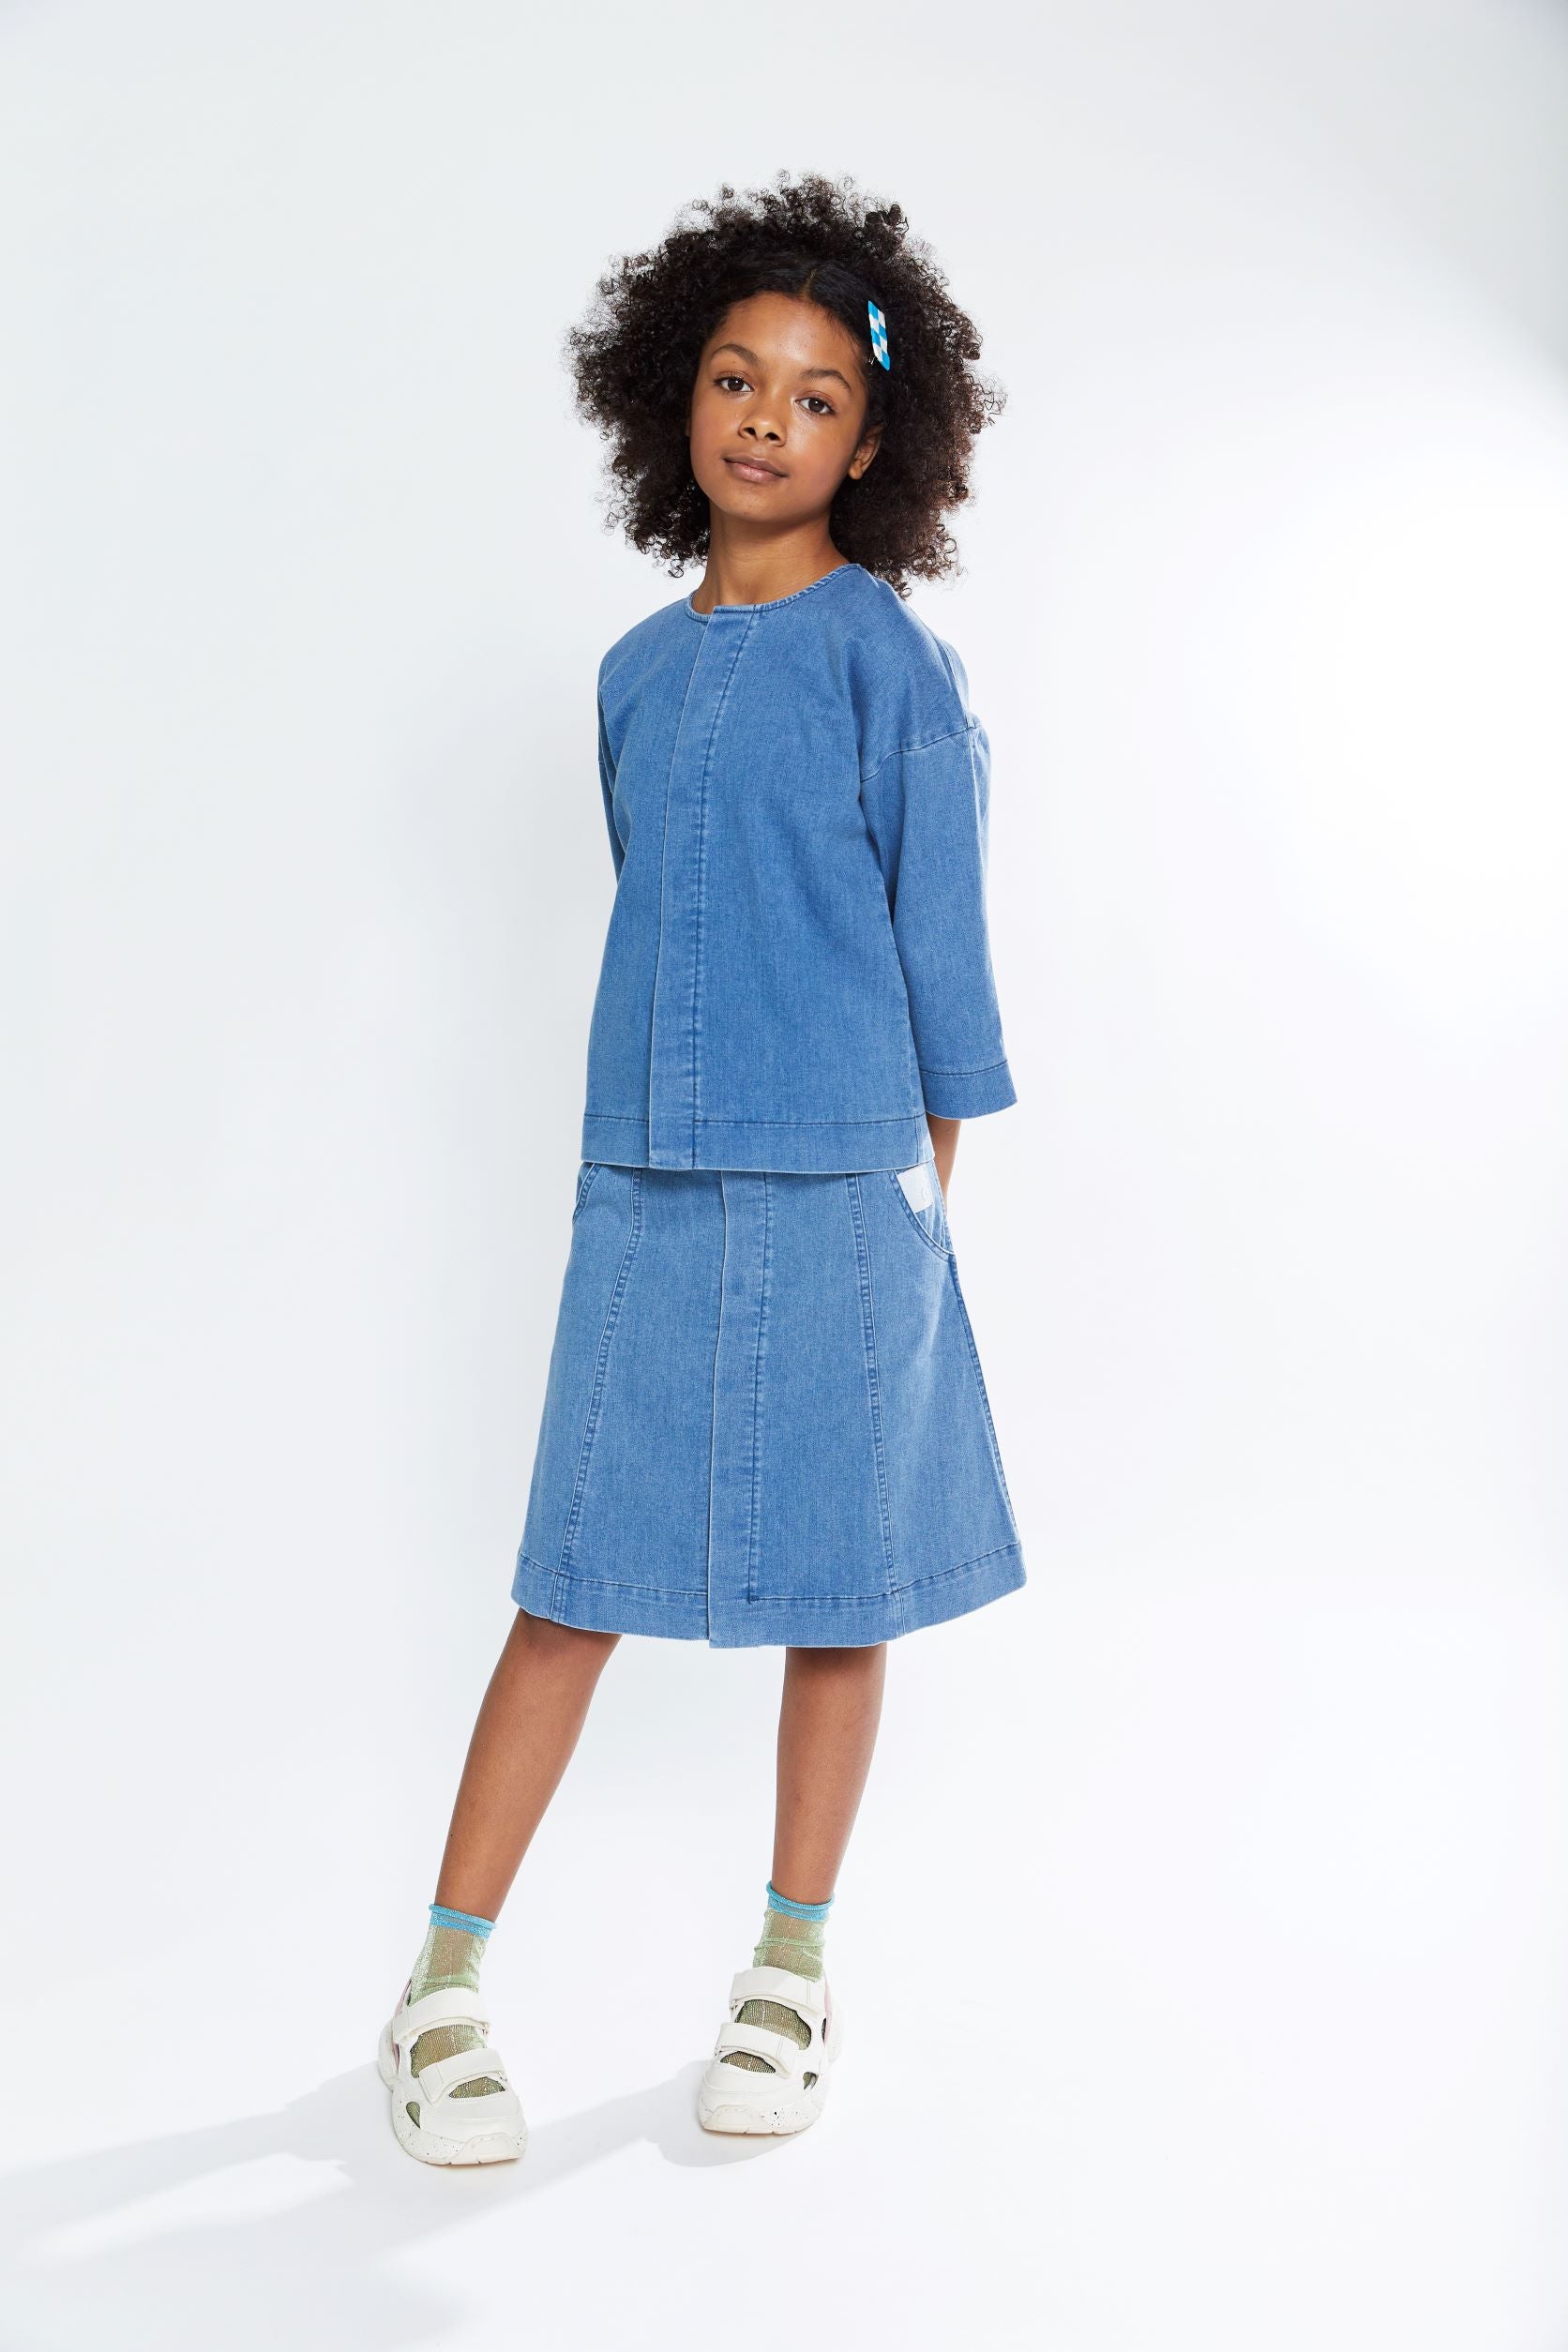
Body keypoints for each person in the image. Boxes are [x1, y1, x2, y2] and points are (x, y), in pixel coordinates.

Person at [378, 169, 1026, 2165]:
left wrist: (913, 1195)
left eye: (817, 397)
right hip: (646, 1187)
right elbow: (663, 904)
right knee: (570, 1582)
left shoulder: (889, 666)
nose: (766, 419)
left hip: (846, 1195)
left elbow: (937, 946)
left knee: (843, 1589)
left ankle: (788, 1965)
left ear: (875, 443)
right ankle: (440, 1983)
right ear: (674, 390)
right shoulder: (633, 676)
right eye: (737, 377)